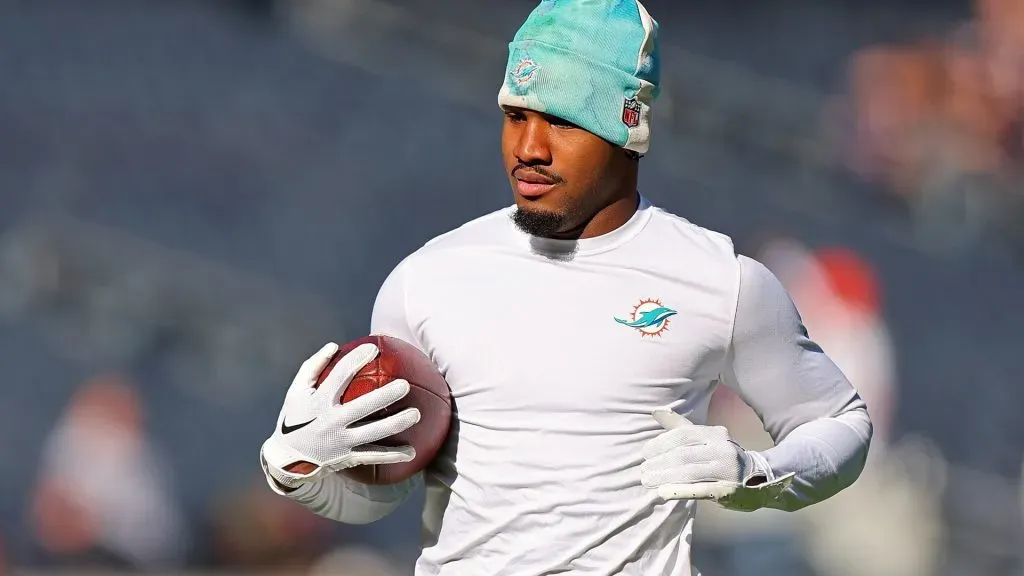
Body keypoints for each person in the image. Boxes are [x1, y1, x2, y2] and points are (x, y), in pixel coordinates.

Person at [258, 2, 873, 574]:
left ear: (628, 127)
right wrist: (301, 466)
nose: (529, 148)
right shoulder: (425, 279)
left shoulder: (720, 279)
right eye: (515, 116)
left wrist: (755, 474)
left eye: (562, 121)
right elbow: (380, 492)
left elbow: (839, 423)